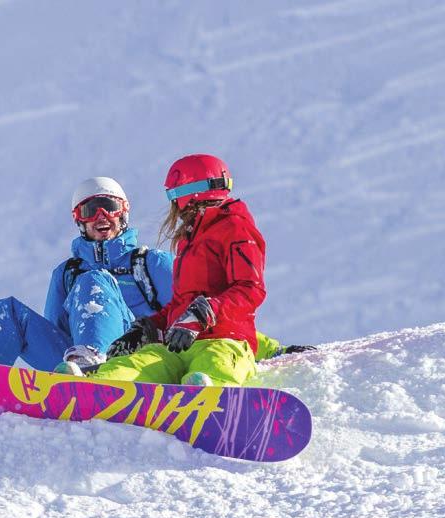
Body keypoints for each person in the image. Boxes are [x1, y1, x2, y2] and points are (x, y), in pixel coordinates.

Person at [72, 153, 311, 387]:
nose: (173, 204)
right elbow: (180, 303)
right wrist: (148, 328)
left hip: (225, 340)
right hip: (180, 344)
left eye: (173, 195)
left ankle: (205, 395)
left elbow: (250, 289)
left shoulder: (236, 229)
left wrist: (205, 313)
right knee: (142, 363)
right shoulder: (189, 241)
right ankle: (97, 385)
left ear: (189, 194)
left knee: (216, 364)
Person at [0, 177, 173, 390]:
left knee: (94, 279)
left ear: (123, 213)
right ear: (80, 221)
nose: (102, 216)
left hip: (137, 361)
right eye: (90, 210)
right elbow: (57, 330)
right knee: (8, 310)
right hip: (74, 365)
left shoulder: (150, 263)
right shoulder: (67, 273)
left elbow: (186, 315)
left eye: (109, 207)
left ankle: (94, 363)